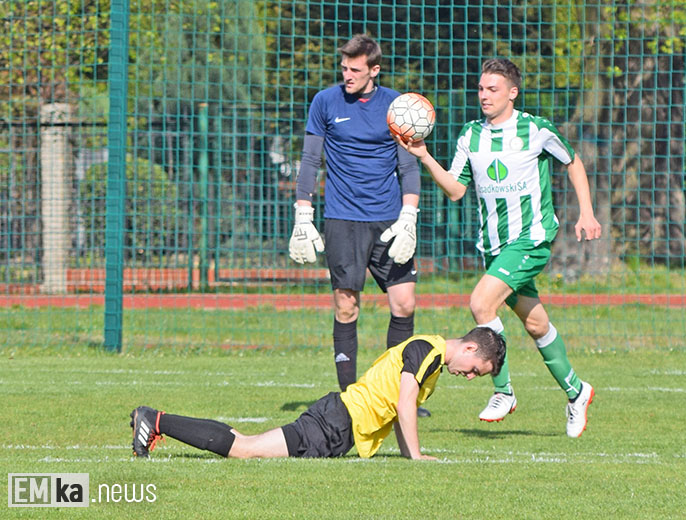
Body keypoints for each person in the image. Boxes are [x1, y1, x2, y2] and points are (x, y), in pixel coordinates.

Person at [395, 58, 601, 437]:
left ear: (512, 92)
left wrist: (586, 213)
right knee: (536, 324)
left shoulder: (535, 129)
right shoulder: (469, 135)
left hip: (532, 238)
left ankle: (503, 390)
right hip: (494, 245)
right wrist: (423, 156)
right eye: (480, 88)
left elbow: (573, 162)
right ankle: (576, 391)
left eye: (493, 89)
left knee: (481, 303)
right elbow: (456, 190)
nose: (484, 96)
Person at [287, 35, 428, 416]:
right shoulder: (325, 102)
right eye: (344, 68)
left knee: (404, 303)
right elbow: (309, 160)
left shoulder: (397, 107)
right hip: (342, 219)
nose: (346, 75)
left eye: (355, 69)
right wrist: (303, 215)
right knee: (346, 306)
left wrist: (409, 217)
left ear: (374, 70)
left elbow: (408, 166)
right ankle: (353, 398)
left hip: (388, 219)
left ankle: (401, 395)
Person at [130, 327, 505, 460]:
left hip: (337, 423)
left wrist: (411, 456)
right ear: (470, 349)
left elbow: (396, 407)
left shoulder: (433, 359)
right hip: (334, 423)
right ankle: (155, 419)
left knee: (245, 443)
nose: (470, 377)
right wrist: (418, 457)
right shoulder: (429, 351)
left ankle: (157, 420)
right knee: (244, 449)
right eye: (475, 370)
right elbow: (404, 404)